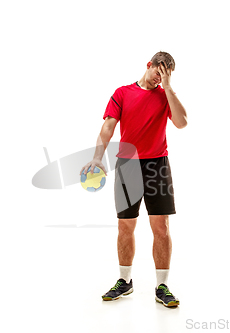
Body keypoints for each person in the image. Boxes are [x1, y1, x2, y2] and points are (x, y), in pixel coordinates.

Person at [80, 51, 187, 307]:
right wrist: (97, 158)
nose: (158, 79)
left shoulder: (165, 96)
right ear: (149, 65)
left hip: (157, 166)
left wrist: (169, 88)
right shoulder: (122, 93)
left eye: (165, 76)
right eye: (157, 72)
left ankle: (162, 286)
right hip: (128, 165)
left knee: (160, 227)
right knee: (125, 226)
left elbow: (182, 122)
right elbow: (108, 127)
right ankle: (125, 281)